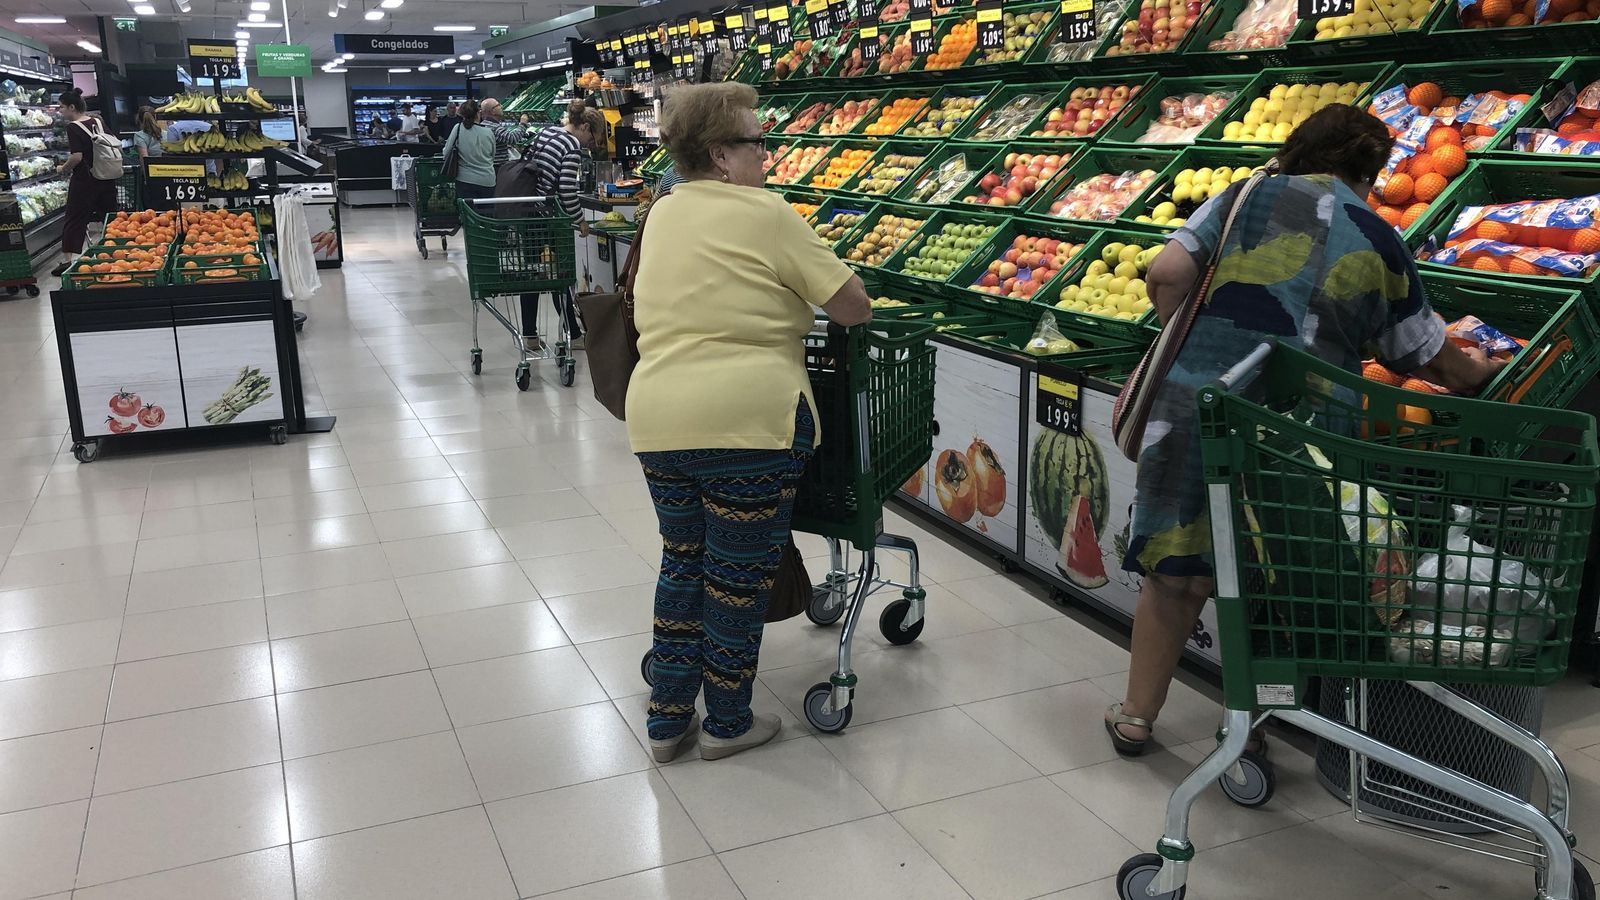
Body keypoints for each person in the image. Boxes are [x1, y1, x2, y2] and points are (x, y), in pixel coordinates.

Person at [1104, 104, 1506, 758]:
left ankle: (1135, 718)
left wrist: (1207, 340)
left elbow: (1166, 273)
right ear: (1369, 172)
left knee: (1176, 568)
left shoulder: (1243, 195)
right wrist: (1476, 368)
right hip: (1300, 432)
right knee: (1276, 575)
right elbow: (1428, 355)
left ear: (1297, 150)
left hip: (1197, 405)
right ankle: (1253, 723)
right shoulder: (1377, 235)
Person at [627, 82, 873, 763]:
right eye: (757, 143)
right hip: (746, 423)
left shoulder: (661, 215)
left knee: (683, 562)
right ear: (721, 156)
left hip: (658, 419)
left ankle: (668, 719)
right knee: (735, 577)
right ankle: (728, 724)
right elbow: (852, 306)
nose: (767, 155)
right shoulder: (765, 213)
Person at [509, 99, 607, 342]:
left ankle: (530, 336)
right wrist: (580, 220)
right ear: (584, 127)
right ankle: (573, 336)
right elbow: (565, 189)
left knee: (532, 275)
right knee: (561, 275)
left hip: (527, 211)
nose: (590, 145)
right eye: (593, 139)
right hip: (546, 217)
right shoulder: (572, 146)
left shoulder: (548, 132)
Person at [52, 89, 120, 277]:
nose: (61, 111)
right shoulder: (98, 120)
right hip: (107, 176)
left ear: (72, 107)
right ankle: (116, 253)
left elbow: (76, 157)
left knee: (75, 218)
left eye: (62, 107)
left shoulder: (73, 127)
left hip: (85, 180)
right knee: (111, 217)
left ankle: (68, 261)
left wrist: (62, 168)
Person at [441, 99, 497, 202]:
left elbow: (446, 152)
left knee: (468, 214)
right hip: (487, 180)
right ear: (477, 113)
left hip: (465, 180)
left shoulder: (458, 128)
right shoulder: (489, 132)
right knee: (486, 214)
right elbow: (493, 155)